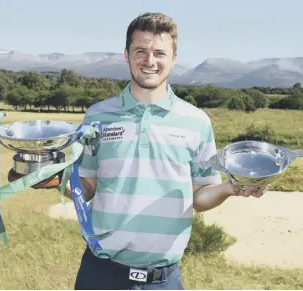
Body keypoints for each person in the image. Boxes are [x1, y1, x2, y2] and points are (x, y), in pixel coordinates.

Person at [62, 12, 267, 290]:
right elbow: (85, 186)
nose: (149, 61)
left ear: (173, 58)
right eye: (141, 51)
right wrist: (51, 176)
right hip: (100, 276)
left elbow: (199, 196)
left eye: (159, 52)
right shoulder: (97, 116)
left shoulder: (197, 121)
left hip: (163, 281)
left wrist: (229, 189)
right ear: (126, 54)